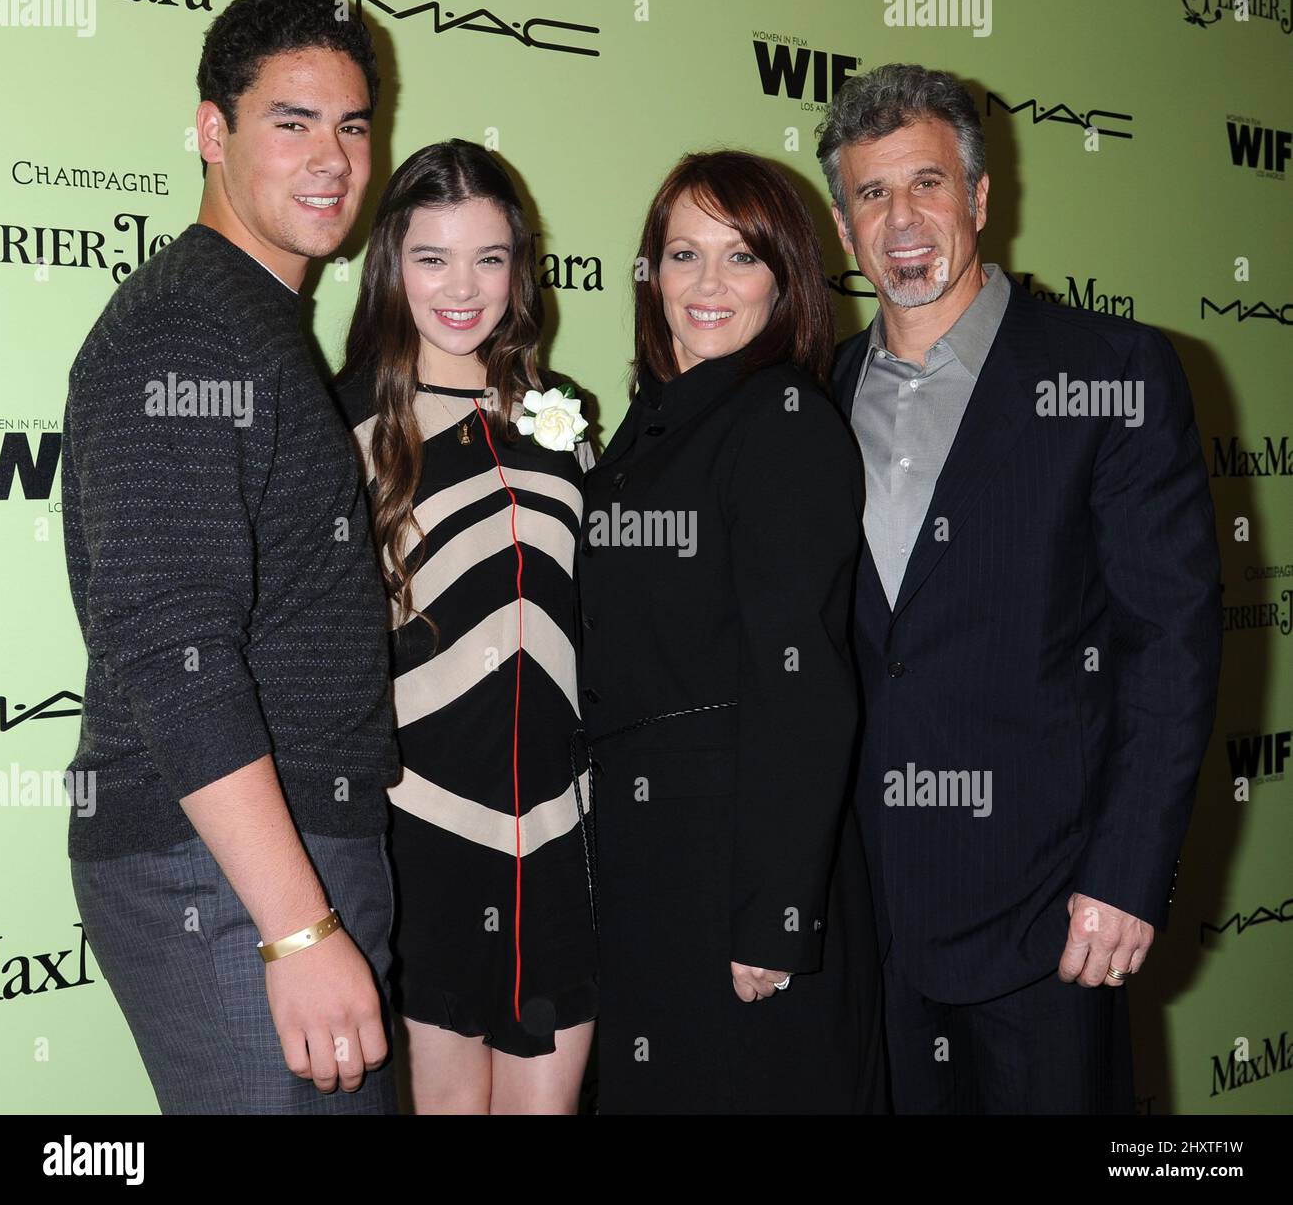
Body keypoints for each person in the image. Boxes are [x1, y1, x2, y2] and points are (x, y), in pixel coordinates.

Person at [816, 62, 1222, 1114]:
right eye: (870, 194)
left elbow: (1169, 645)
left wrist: (1129, 876)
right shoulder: (810, 403)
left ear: (982, 197)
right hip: (867, 923)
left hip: (1050, 916)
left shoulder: (1112, 373)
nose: (900, 222)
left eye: (927, 184)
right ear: (840, 220)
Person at [62, 0, 401, 1114]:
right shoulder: (189, 323)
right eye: (291, 121)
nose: (333, 158)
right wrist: (298, 927)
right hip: (229, 875)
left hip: (265, 859)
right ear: (214, 133)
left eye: (353, 125)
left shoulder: (256, 324)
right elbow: (174, 647)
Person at [576, 150, 886, 1114]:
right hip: (642, 865)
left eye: (741, 258)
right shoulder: (650, 425)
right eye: (682, 254)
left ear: (787, 277)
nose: (707, 285)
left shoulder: (782, 417)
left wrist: (775, 917)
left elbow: (806, 686)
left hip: (733, 876)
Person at [333, 140, 597, 1115]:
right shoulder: (343, 418)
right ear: (390, 265)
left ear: (519, 270)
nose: (462, 287)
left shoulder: (565, 416)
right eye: (432, 257)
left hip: (562, 831)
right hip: (426, 826)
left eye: (488, 258)